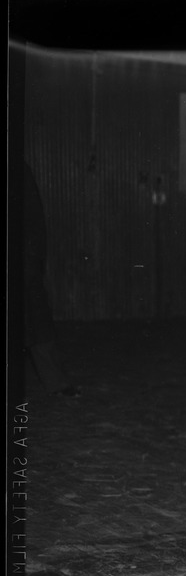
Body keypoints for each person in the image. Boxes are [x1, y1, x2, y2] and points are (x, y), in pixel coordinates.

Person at [22, 161, 80, 398]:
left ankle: (56, 382)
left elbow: (34, 220)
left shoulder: (17, 168)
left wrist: (31, 262)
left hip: (22, 259)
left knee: (37, 319)